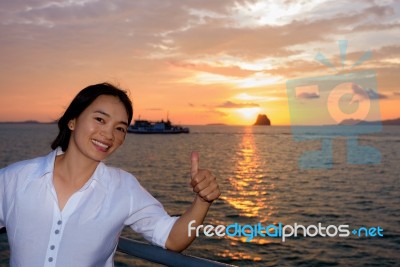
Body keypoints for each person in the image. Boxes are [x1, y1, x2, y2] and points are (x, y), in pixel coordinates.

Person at [0, 83, 220, 266]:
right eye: (100, 119)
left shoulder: (124, 188)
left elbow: (173, 238)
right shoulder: (14, 179)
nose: (108, 134)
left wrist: (202, 200)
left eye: (120, 128)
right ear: (73, 120)